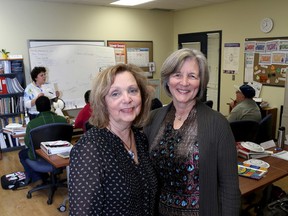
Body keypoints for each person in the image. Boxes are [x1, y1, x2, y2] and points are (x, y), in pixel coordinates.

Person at [144, 48, 241, 216]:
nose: (184, 82)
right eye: (177, 75)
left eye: (192, 76)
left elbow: (230, 187)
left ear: (201, 82)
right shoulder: (153, 119)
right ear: (167, 79)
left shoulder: (217, 124)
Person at [69, 64, 158, 215]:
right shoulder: (90, 149)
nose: (127, 99)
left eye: (132, 90)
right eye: (115, 93)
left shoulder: (140, 138)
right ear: (103, 102)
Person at [18, 96, 67, 184]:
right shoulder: (62, 120)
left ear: (37, 108)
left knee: (22, 154)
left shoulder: (32, 124)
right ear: (50, 106)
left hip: (41, 157)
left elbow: (27, 142)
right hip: (61, 156)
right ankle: (55, 173)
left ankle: (37, 178)